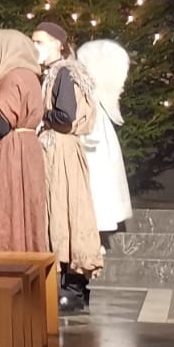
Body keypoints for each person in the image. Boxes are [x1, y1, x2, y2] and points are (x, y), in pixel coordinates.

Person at [32, 22, 104, 311]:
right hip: (57, 148)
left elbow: (65, 114)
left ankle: (72, 287)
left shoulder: (64, 72)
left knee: (67, 210)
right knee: (61, 211)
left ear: (57, 44)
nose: (35, 47)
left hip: (60, 149)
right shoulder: (55, 73)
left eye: (39, 42)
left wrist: (41, 113)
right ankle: (67, 284)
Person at [0, 29, 48, 255]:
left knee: (8, 206)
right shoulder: (30, 75)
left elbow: (0, 124)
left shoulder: (13, 77)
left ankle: (6, 261)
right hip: (26, 148)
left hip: (11, 152)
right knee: (23, 209)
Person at [76, 39, 134, 235]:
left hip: (94, 144)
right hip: (93, 142)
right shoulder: (87, 93)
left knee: (99, 182)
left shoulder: (92, 97)